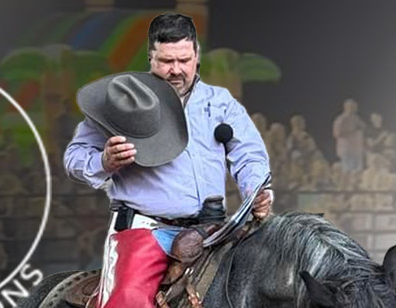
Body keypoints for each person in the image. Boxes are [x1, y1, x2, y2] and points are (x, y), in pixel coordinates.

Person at [64, 11, 273, 262]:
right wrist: (103, 161)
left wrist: (256, 190)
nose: (176, 70)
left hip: (212, 232)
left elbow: (248, 154)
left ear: (196, 56)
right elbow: (73, 158)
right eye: (166, 61)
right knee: (131, 290)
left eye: (184, 60)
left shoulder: (221, 102)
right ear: (151, 58)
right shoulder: (125, 102)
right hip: (145, 234)